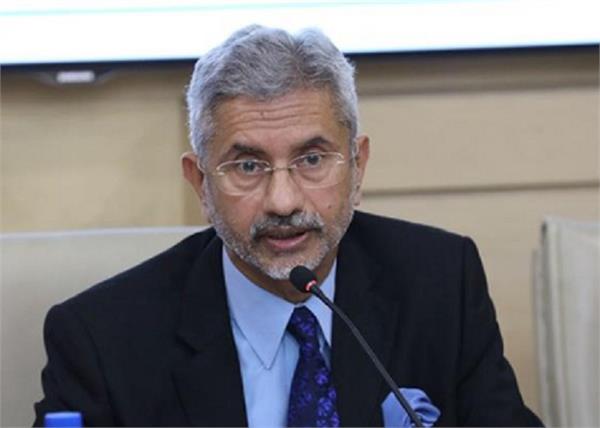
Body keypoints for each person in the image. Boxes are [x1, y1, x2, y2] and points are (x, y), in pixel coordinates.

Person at [34, 25, 542, 427]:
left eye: (312, 159)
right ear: (200, 183)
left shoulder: (441, 287)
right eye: (248, 166)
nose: (283, 201)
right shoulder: (102, 341)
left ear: (358, 167)